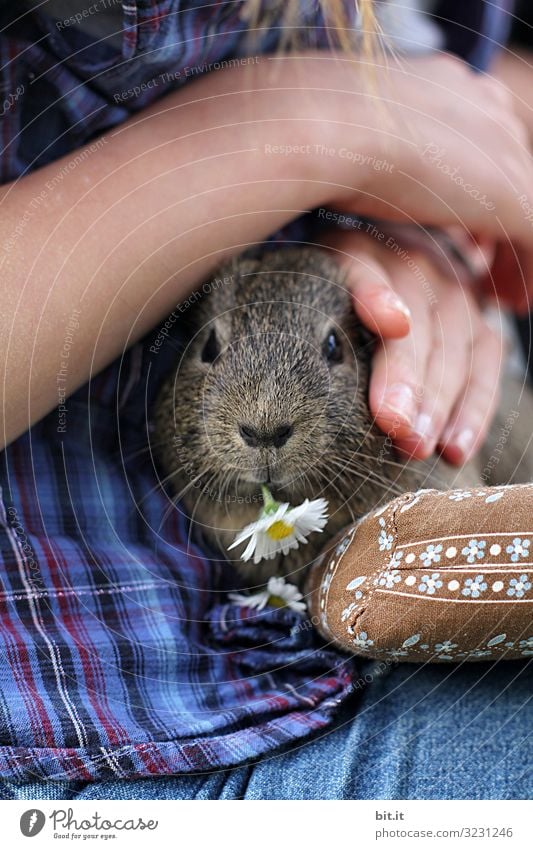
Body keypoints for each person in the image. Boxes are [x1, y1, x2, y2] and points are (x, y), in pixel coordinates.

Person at [0, 1, 531, 799]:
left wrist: (428, 240)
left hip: (328, 681)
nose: (261, 418)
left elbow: (494, 85)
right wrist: (319, 121)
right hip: (114, 737)